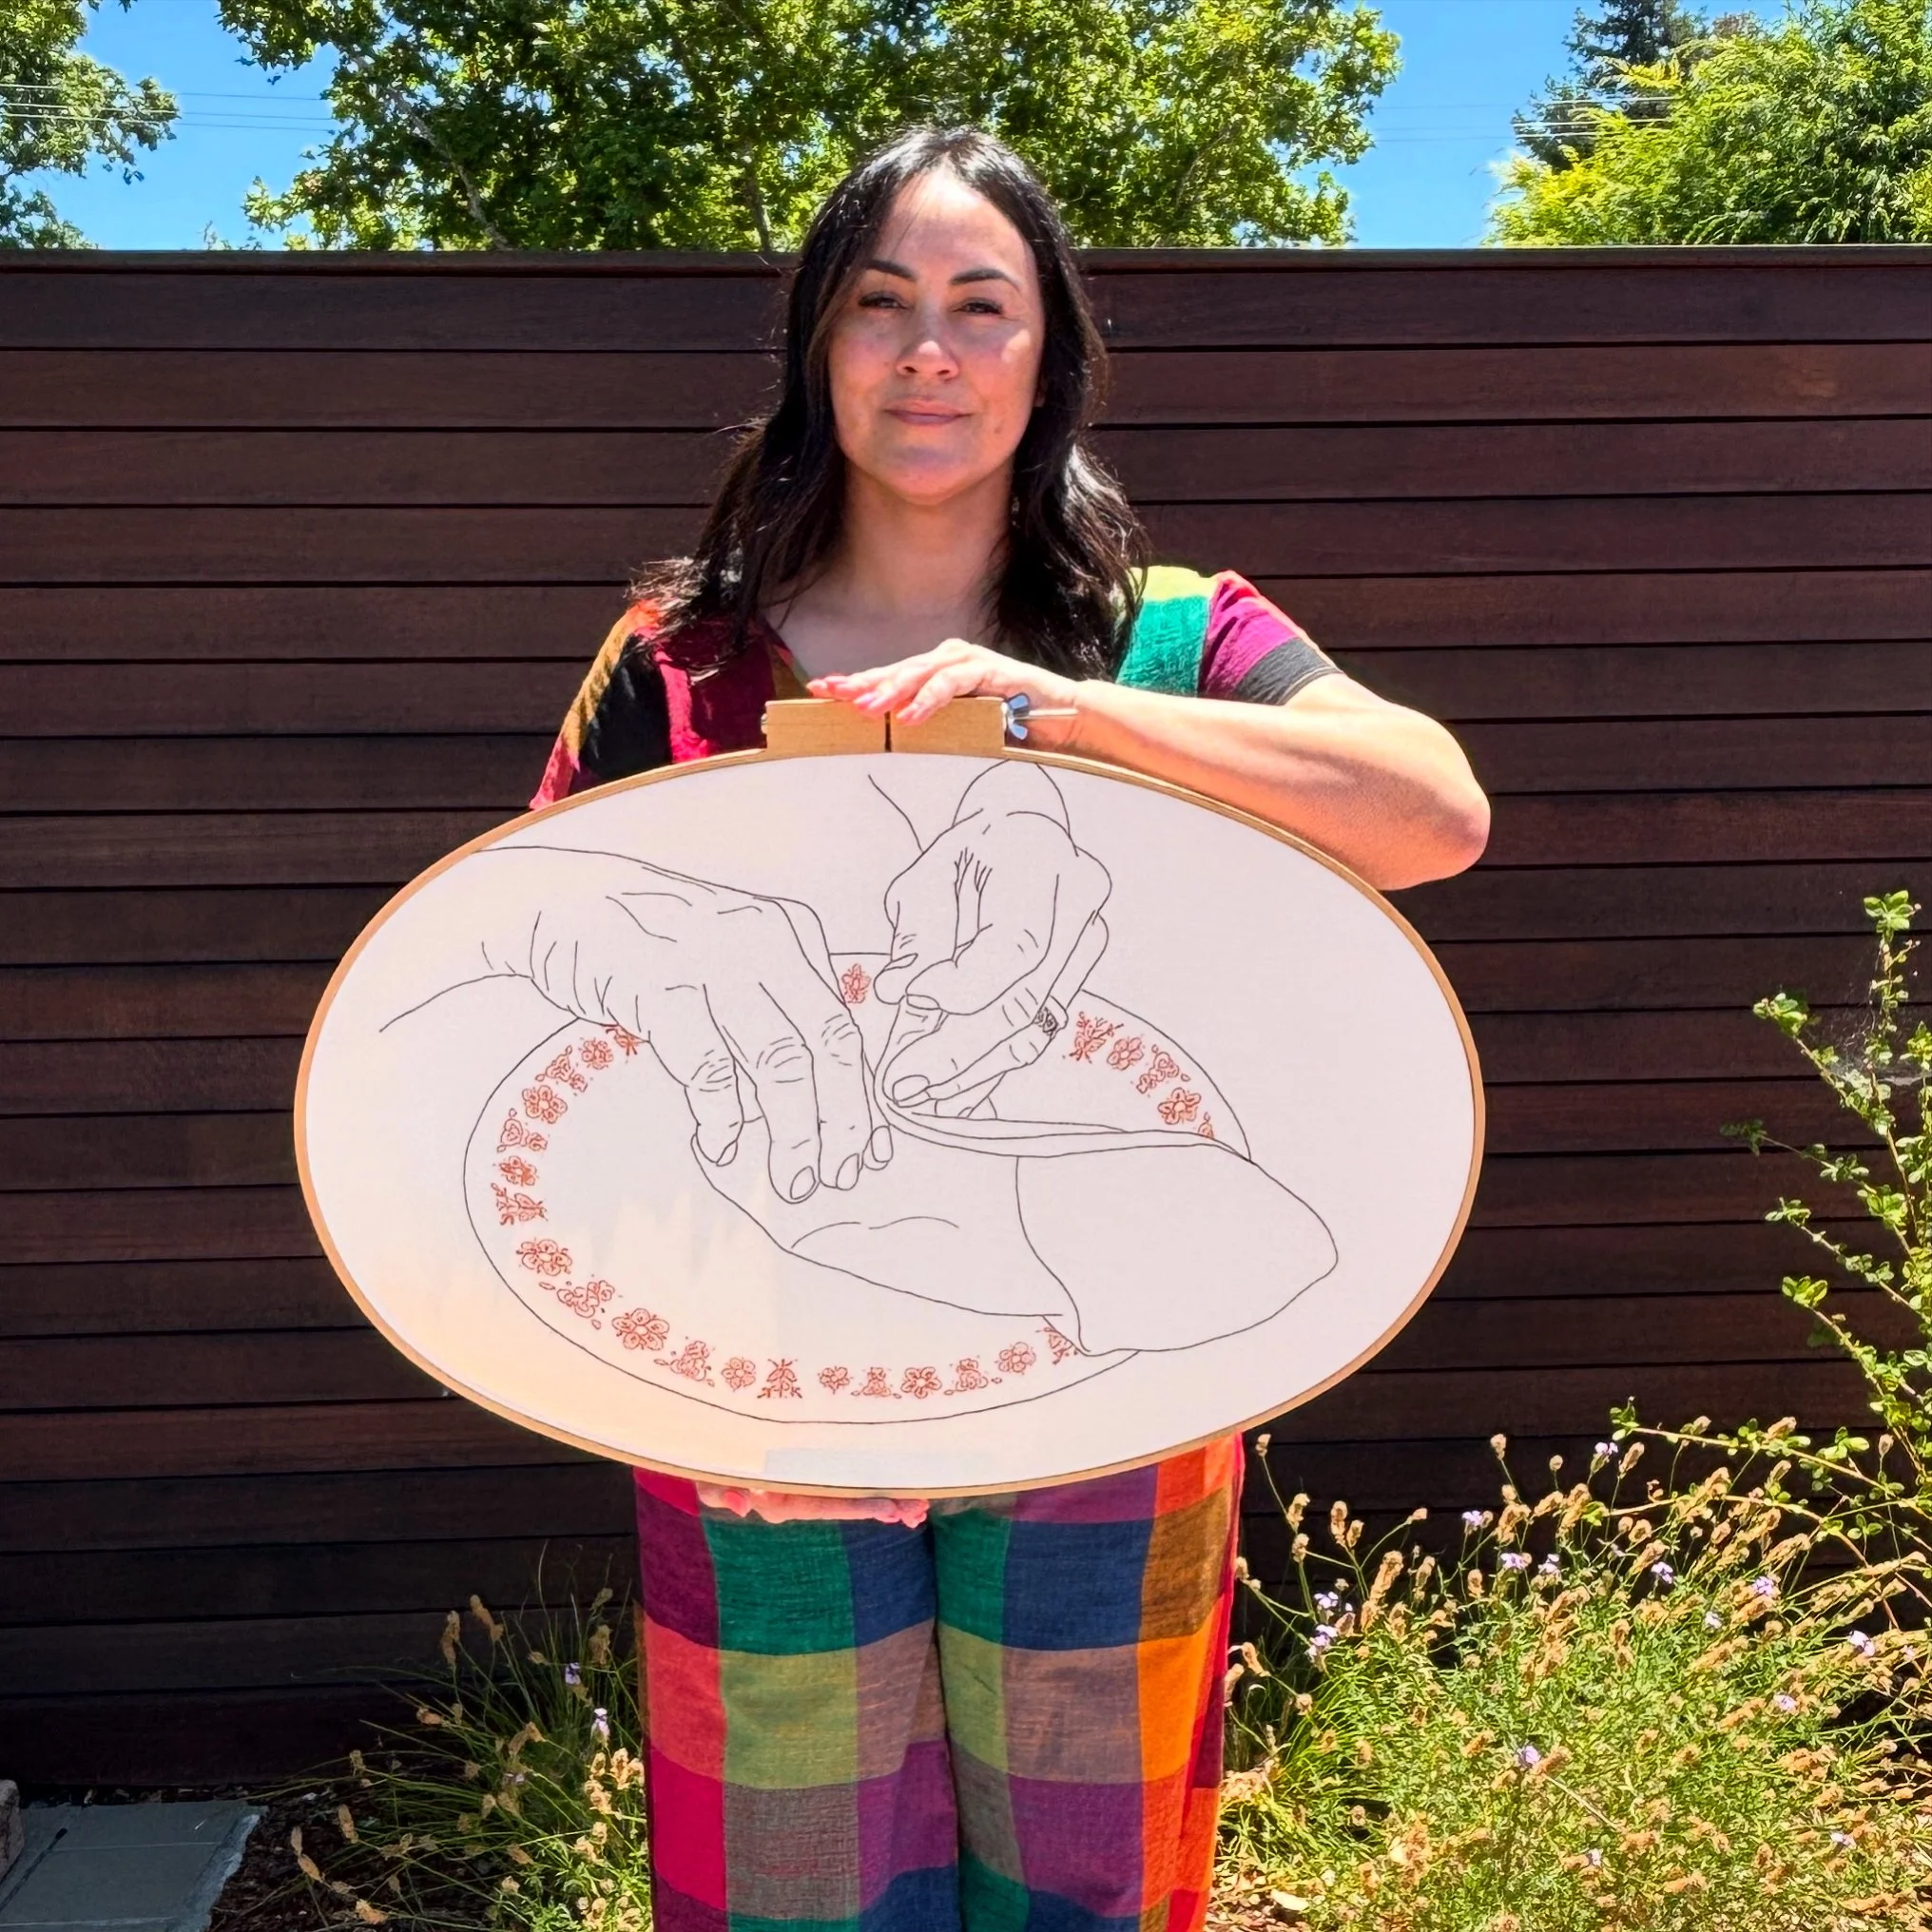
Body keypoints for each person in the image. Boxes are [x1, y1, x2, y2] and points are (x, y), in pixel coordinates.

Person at [531, 125, 1488, 1932]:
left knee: (1091, 1885)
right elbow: (510, 953)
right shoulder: (677, 658)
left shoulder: (1178, 637)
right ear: (820, 346)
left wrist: (1052, 716)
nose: (930, 352)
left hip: (1113, 1386)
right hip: (757, 1395)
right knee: (791, 1889)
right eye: (881, 307)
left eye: (984, 306)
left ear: (1050, 353)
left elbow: (1430, 809)